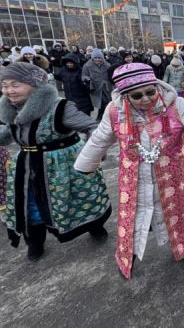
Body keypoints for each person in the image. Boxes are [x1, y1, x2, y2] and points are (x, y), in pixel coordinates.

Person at [74, 63, 184, 279]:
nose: (146, 99)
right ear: (126, 96)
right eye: (137, 96)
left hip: (173, 178)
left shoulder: (175, 105)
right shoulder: (115, 112)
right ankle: (126, 255)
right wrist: (85, 165)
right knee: (131, 219)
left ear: (157, 86)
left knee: (180, 212)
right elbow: (100, 139)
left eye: (150, 92)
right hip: (134, 181)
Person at [0, 62, 111, 261]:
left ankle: (94, 225)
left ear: (34, 84)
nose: (9, 90)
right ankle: (34, 241)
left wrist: (93, 153)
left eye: (15, 85)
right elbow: (9, 133)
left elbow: (92, 127)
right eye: (5, 85)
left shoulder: (59, 107)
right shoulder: (10, 108)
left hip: (64, 164)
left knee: (81, 197)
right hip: (26, 165)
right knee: (28, 206)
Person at [82, 48, 112, 121]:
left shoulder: (107, 65)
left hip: (106, 87)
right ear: (92, 58)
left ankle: (102, 117)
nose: (97, 59)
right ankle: (101, 117)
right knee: (100, 103)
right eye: (95, 58)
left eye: (99, 58)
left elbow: (111, 74)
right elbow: (84, 75)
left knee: (107, 102)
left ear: (102, 58)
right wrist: (87, 79)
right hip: (95, 87)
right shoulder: (87, 65)